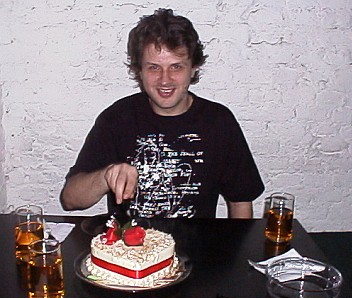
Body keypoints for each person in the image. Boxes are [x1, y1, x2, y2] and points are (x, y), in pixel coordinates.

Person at [60, 8, 264, 219]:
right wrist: (106, 176)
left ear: (193, 68)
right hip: (130, 248)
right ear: (139, 70)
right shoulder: (117, 118)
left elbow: (240, 202)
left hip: (197, 249)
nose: (165, 80)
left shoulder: (219, 121)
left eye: (176, 67)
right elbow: (70, 199)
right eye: (153, 68)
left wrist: (241, 251)